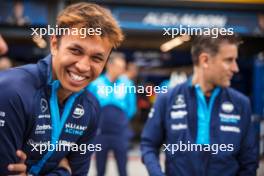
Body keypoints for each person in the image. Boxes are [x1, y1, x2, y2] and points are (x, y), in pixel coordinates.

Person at [0, 2, 123, 175]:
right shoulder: (11, 91)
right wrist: (64, 171)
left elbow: (78, 173)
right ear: (55, 44)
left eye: (96, 58)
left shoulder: (91, 107)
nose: (83, 66)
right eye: (76, 50)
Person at [141, 34, 259, 176]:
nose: (235, 68)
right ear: (205, 60)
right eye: (229, 60)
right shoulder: (167, 99)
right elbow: (148, 145)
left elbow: (249, 161)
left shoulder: (241, 103)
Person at [88, 53, 135, 176]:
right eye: (119, 67)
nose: (122, 70)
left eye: (123, 67)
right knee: (100, 168)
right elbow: (89, 107)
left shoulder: (127, 84)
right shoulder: (95, 84)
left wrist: (122, 121)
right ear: (110, 65)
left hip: (120, 133)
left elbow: (132, 107)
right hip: (100, 133)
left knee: (123, 168)